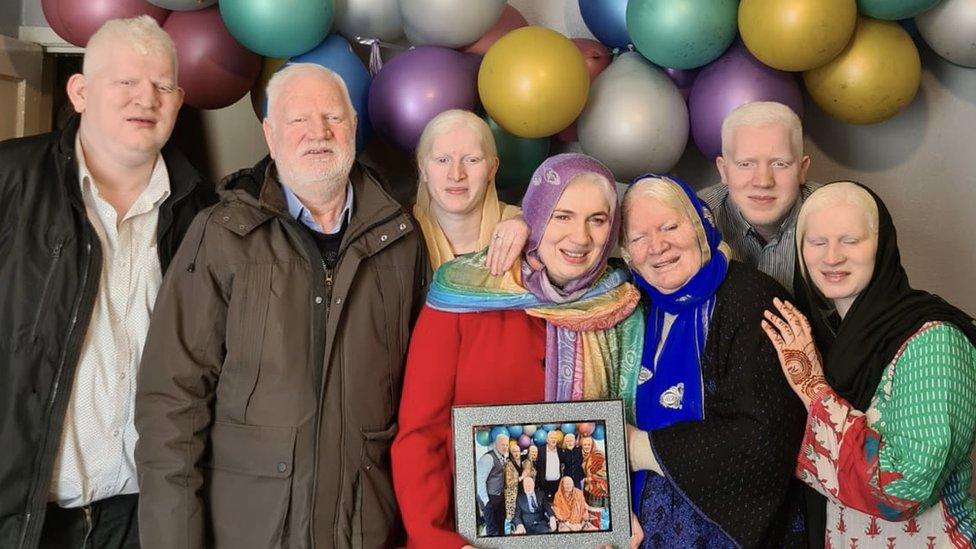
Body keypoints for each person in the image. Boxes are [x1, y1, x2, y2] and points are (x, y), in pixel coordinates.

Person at [134, 63, 426, 548]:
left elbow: (421, 399)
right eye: (298, 121)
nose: (319, 133)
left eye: (333, 117)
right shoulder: (222, 232)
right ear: (270, 133)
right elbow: (172, 404)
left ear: (354, 126)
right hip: (248, 531)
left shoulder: (400, 238)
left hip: (364, 529)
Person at [0, 16, 215, 548]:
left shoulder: (206, 215)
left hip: (146, 519)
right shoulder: (9, 184)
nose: (146, 98)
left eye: (162, 85)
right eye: (125, 82)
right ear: (79, 91)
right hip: (25, 518)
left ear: (179, 100)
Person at [391, 153, 644, 548]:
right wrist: (437, 541)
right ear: (537, 218)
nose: (580, 238)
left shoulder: (621, 303)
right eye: (561, 216)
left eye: (597, 220)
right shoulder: (464, 294)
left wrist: (621, 514)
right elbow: (420, 437)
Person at [761, 181, 976, 548]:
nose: (832, 257)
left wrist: (812, 387)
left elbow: (903, 488)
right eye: (817, 242)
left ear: (883, 246)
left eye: (850, 240)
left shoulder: (935, 341)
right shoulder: (826, 341)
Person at [620, 174, 807, 547]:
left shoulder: (754, 300)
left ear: (701, 225)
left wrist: (637, 448)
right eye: (639, 238)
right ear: (628, 256)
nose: (657, 247)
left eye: (670, 226)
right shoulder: (630, 306)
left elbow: (765, 439)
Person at [700, 101, 818, 294]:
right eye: (746, 164)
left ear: (802, 169)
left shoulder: (836, 216)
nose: (763, 181)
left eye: (780, 164)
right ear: (724, 170)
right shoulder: (696, 220)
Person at [413, 109, 526, 274]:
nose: (456, 175)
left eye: (471, 160)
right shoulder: (399, 237)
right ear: (422, 168)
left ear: (492, 169)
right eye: (443, 160)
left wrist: (530, 223)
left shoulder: (527, 230)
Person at [475, 433, 511, 536]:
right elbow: (480, 481)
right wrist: (486, 502)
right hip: (490, 499)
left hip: (499, 498)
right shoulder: (488, 458)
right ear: (496, 444)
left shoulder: (502, 457)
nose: (505, 447)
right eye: (502, 444)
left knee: (500, 528)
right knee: (492, 530)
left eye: (507, 445)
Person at [580, 436, 608, 507]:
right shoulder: (583, 456)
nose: (587, 447)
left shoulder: (598, 454)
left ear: (592, 445)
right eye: (585, 445)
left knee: (597, 513)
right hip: (588, 489)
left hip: (599, 491)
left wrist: (591, 478)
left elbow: (605, 471)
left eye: (589, 444)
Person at [536, 429, 564, 501]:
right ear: (547, 440)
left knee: (556, 503)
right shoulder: (540, 450)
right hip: (544, 483)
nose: (553, 439)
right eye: (552, 438)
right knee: (544, 504)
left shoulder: (560, 450)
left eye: (555, 438)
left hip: (556, 483)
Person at [504, 439, 523, 523]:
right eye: (514, 451)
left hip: (521, 491)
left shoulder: (521, 462)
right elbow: (508, 482)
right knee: (511, 516)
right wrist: (520, 478)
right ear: (510, 453)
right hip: (511, 494)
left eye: (518, 451)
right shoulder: (508, 464)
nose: (516, 453)